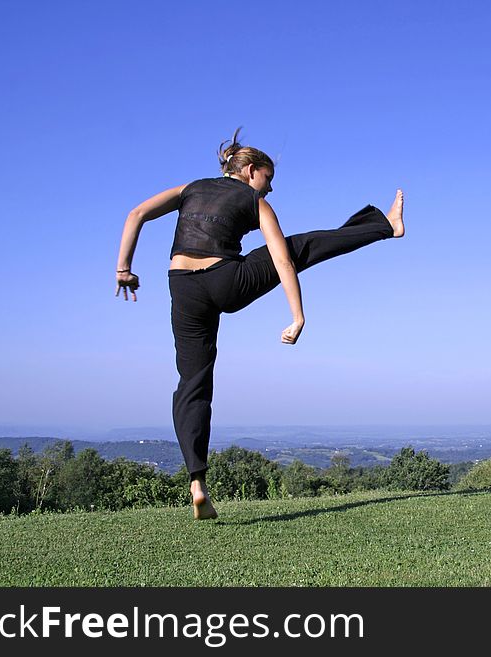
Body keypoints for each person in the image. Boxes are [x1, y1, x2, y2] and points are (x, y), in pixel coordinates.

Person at [115, 129, 405, 519]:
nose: (270, 190)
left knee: (192, 383)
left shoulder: (190, 189)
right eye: (268, 180)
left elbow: (136, 214)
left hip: (183, 287)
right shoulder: (255, 201)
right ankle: (384, 226)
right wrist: (298, 315)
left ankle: (197, 482)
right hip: (227, 281)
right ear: (250, 171)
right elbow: (283, 260)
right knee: (299, 244)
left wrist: (124, 269)